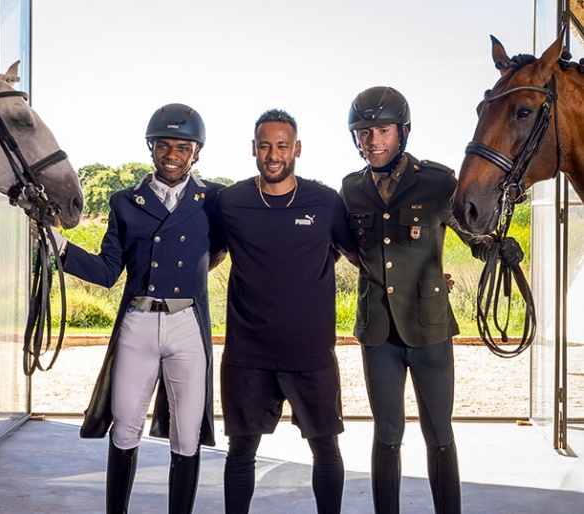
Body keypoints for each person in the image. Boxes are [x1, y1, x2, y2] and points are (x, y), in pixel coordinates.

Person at [339, 86, 524, 514]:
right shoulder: (350, 190)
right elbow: (342, 246)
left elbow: (472, 234)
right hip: (378, 331)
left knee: (439, 433)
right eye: (363, 133)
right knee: (387, 434)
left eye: (381, 131)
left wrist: (497, 248)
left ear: (402, 132)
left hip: (430, 327)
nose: (372, 142)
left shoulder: (439, 181)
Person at [52, 103, 225, 514]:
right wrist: (59, 248)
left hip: (187, 324)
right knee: (125, 429)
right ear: (151, 148)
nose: (172, 155)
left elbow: (230, 245)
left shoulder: (214, 199)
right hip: (139, 324)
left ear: (196, 152)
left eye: (182, 147)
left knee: (186, 435)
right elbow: (109, 270)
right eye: (163, 145)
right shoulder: (125, 202)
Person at [216, 109, 358, 514]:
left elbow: (360, 256)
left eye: (282, 145)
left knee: (326, 449)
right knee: (240, 452)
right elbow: (202, 255)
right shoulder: (231, 202)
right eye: (265, 145)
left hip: (310, 353)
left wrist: (425, 274)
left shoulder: (325, 201)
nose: (273, 154)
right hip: (248, 354)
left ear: (297, 149)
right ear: (254, 149)